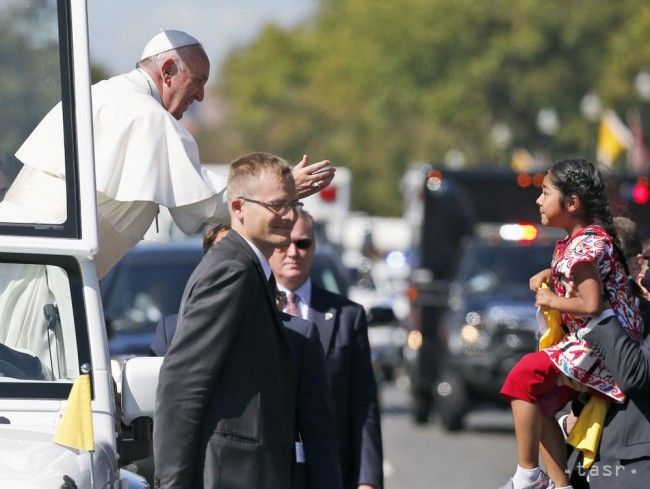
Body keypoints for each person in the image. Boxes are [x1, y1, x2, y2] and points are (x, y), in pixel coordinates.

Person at [0, 29, 333, 372]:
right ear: (169, 69)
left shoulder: (99, 95)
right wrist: (282, 187)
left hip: (24, 261)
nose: (201, 96)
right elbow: (213, 204)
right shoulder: (150, 117)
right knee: (40, 390)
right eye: (199, 81)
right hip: (47, 281)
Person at [154, 152, 314, 489]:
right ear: (238, 208)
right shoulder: (234, 270)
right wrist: (173, 483)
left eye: (293, 205)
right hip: (230, 475)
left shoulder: (248, 267)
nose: (288, 216)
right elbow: (183, 383)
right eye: (277, 206)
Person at [150, 222, 343, 489]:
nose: (230, 267)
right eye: (221, 253)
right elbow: (166, 409)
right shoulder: (173, 332)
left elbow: (318, 434)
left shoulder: (296, 336)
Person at [498, 159, 644, 489]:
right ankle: (559, 484)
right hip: (592, 346)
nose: (538, 200)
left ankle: (527, 475)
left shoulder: (584, 246)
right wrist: (551, 275)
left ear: (572, 203)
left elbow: (591, 304)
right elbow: (590, 279)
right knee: (538, 398)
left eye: (545, 193)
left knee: (522, 376)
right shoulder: (582, 241)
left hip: (600, 348)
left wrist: (553, 301)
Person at [269, 210, 384, 489]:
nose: (293, 252)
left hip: (330, 472)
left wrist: (368, 480)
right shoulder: (252, 311)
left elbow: (363, 405)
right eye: (284, 243)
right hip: (270, 470)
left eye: (303, 243)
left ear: (314, 246)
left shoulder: (347, 315)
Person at [559, 216, 650, 488]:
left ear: (638, 264)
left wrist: (598, 312)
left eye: (609, 262)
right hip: (588, 466)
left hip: (631, 471)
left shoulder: (641, 316)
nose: (599, 274)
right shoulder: (575, 319)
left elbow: (634, 375)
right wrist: (566, 421)